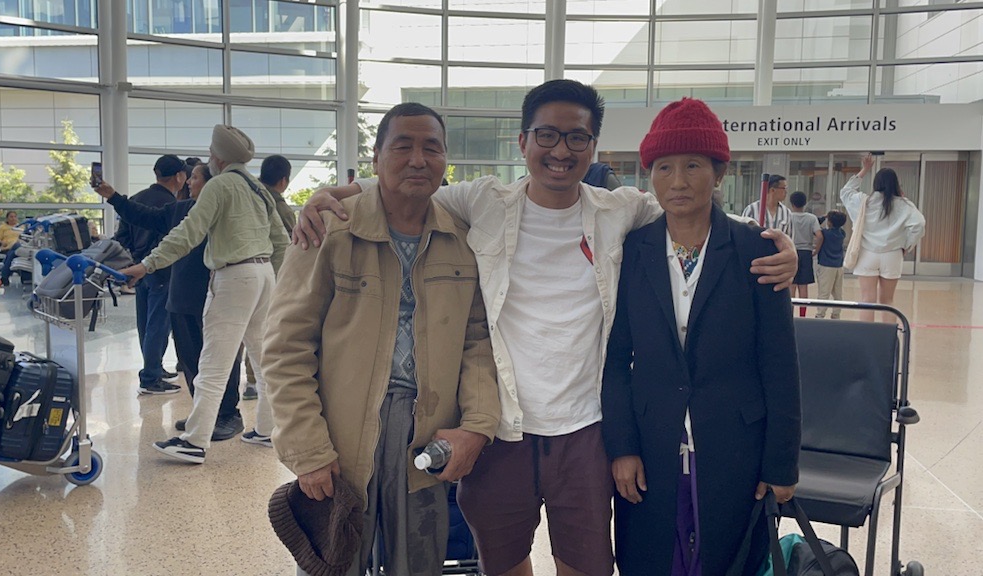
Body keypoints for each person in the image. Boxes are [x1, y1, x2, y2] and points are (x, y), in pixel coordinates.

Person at [293, 79, 798, 576]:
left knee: (584, 563)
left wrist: (776, 247)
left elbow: (692, 214)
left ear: (592, 145)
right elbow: (409, 187)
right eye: (547, 135)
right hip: (502, 429)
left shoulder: (620, 210)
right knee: (504, 560)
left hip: (585, 429)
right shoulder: (484, 201)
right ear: (524, 142)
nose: (561, 150)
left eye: (576, 137)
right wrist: (333, 196)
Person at [263, 102, 500, 576]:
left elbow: (477, 343)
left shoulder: (461, 239)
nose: (418, 159)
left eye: (431, 148)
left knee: (421, 561)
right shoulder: (331, 228)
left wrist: (478, 424)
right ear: (375, 159)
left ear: (445, 160)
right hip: (344, 435)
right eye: (403, 146)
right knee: (336, 560)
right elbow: (287, 346)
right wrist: (308, 450)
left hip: (428, 436)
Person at [602, 97, 801, 576]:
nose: (678, 181)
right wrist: (622, 446)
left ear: (720, 173)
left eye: (693, 165)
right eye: (664, 167)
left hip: (735, 443)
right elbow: (615, 358)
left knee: (727, 556)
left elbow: (779, 363)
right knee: (651, 557)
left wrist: (781, 464)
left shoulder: (757, 250)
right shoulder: (634, 249)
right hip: (652, 442)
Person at [120, 124, 289, 463]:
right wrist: (279, 281)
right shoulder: (258, 188)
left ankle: (194, 441)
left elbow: (188, 232)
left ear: (217, 157)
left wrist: (147, 265)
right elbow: (281, 240)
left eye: (212, 154)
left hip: (234, 276)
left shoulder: (221, 184)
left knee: (212, 361)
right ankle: (267, 429)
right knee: (261, 356)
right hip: (264, 275)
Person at [94, 163, 246, 441]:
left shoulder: (223, 212)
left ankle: (228, 414)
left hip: (215, 292)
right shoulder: (179, 209)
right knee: (190, 358)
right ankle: (204, 411)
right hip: (181, 293)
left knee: (220, 357)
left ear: (212, 183)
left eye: (196, 177)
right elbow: (143, 215)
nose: (189, 181)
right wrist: (113, 196)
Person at [113, 155, 185, 394]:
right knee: (158, 324)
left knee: (144, 322)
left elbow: (121, 236)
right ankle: (151, 376)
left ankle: (152, 366)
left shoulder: (136, 199)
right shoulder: (171, 206)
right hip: (161, 270)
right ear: (179, 176)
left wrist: (137, 259)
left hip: (138, 269)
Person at [240, 154, 298, 401]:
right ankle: (254, 381)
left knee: (243, 331)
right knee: (262, 330)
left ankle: (248, 380)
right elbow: (292, 243)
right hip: (270, 274)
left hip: (238, 270)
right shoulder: (279, 206)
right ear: (283, 180)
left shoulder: (247, 194)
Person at [840, 155, 925, 322]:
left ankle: (866, 341)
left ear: (876, 184)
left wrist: (864, 170)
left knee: (867, 300)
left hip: (866, 254)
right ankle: (888, 339)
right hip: (892, 255)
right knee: (887, 301)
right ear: (896, 184)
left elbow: (845, 192)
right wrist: (907, 245)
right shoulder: (903, 204)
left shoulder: (864, 201)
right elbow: (919, 224)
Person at [789, 191, 821, 317]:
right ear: (805, 203)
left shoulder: (788, 216)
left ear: (791, 203)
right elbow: (819, 235)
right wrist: (816, 250)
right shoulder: (811, 218)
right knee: (804, 286)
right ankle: (803, 315)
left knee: (791, 285)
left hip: (791, 251)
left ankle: (790, 315)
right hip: (806, 253)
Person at [815, 210, 847, 319]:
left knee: (824, 292)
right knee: (837, 293)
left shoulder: (825, 234)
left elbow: (815, 223)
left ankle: (820, 314)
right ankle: (836, 314)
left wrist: (824, 216)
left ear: (830, 222)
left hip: (826, 265)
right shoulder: (842, 233)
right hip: (839, 265)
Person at [0, 211, 23, 288]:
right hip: (7, 247)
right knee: (14, 251)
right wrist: (1, 243)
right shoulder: (3, 227)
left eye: (15, 217)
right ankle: (4, 277)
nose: (13, 218)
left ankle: (4, 278)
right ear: (7, 218)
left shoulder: (21, 227)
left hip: (20, 248)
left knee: (13, 252)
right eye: (11, 217)